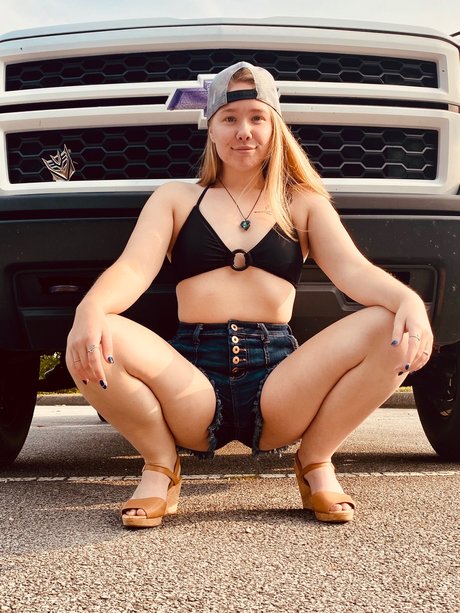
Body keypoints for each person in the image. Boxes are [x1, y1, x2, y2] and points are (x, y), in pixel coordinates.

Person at [66, 61, 433, 527]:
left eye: (257, 118)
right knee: (96, 331)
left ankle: (316, 461)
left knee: (389, 326)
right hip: (191, 382)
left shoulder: (303, 202)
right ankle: (160, 465)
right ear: (211, 129)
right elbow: (134, 268)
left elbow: (354, 271)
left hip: (278, 383)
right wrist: (91, 309)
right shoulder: (175, 198)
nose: (244, 131)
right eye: (230, 119)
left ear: (275, 127)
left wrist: (409, 302)